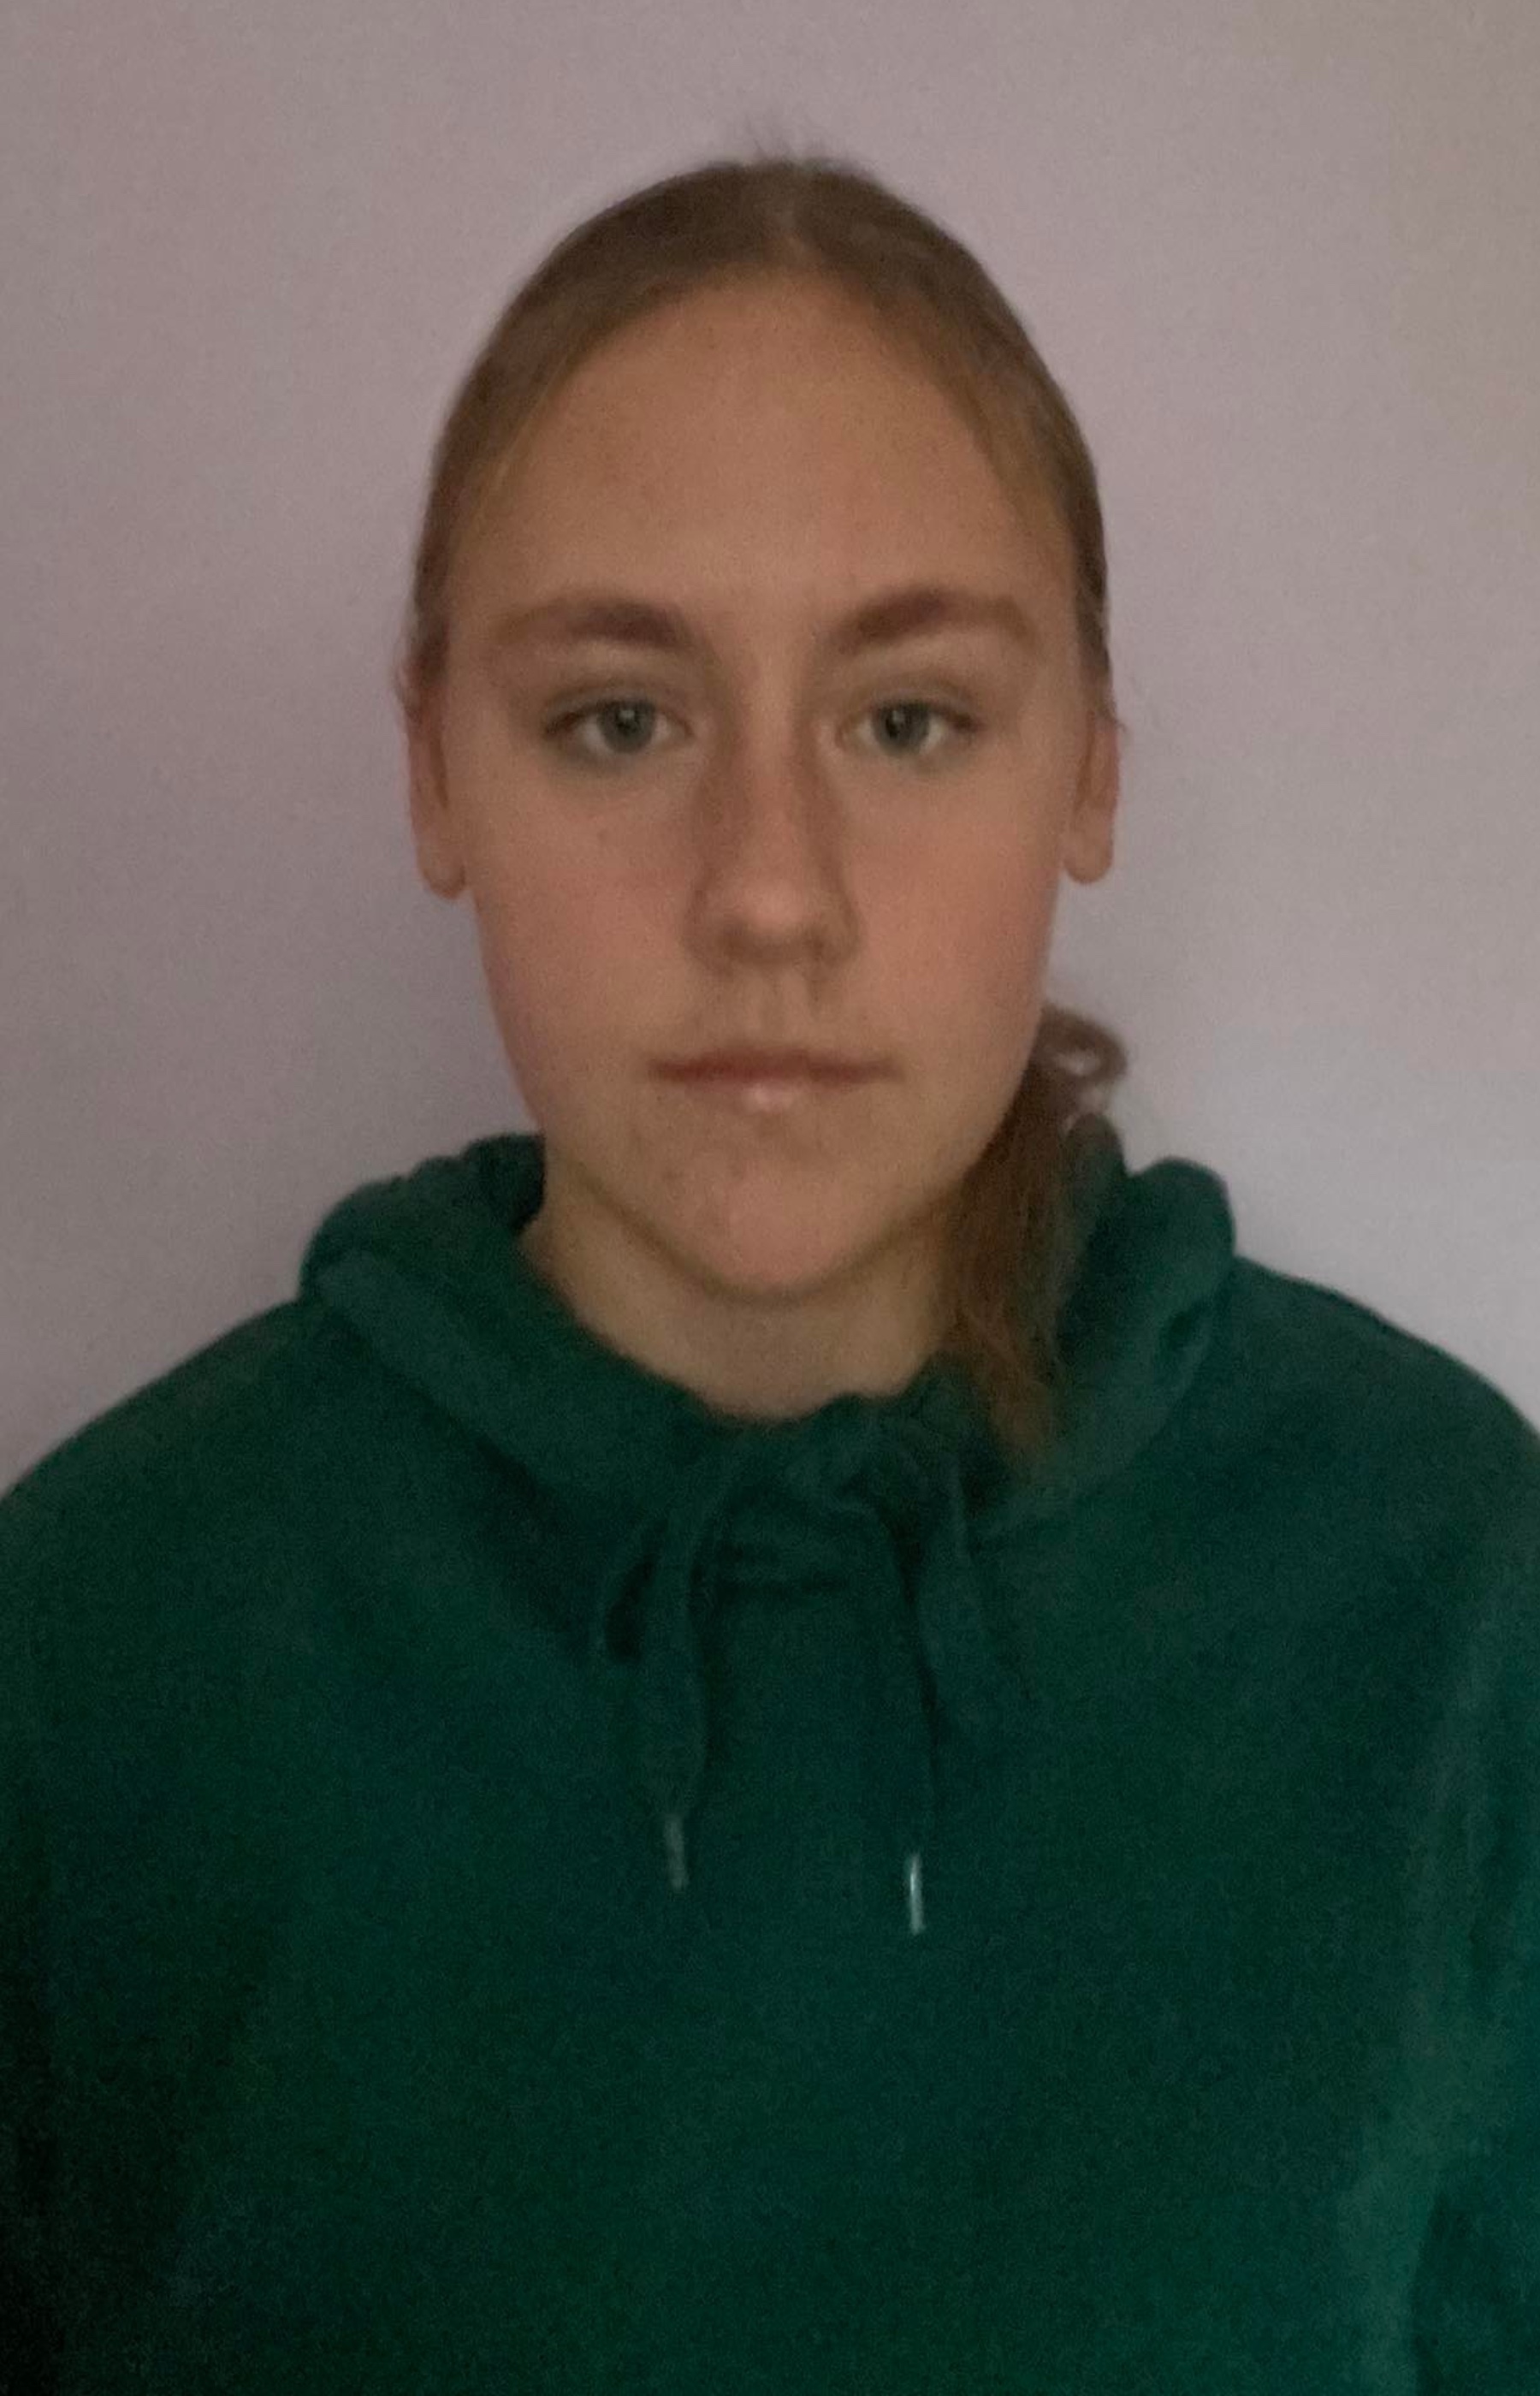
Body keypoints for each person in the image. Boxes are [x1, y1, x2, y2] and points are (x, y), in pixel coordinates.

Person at [3, 143, 1537, 2396]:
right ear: (434, 774)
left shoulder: (1452, 1595)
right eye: (619, 720)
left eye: (908, 720)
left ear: (1091, 770)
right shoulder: (94, 1647)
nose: (769, 897)